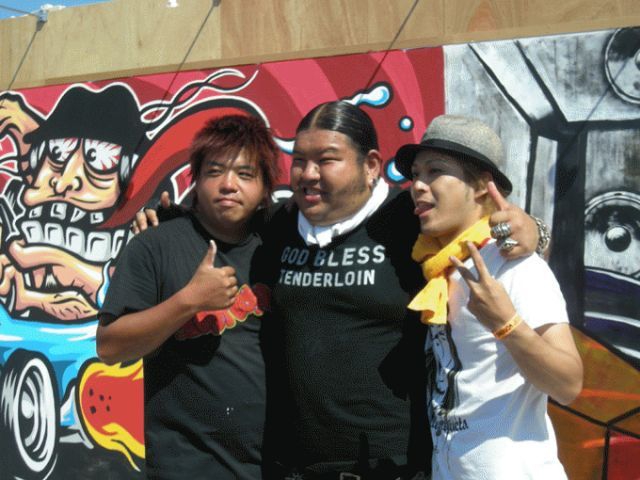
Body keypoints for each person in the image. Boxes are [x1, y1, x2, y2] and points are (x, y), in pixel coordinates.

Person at [134, 102, 543, 479]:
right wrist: (166, 219)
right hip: (292, 467)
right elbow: (220, 222)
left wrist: (535, 231)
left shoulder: (409, 218)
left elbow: (481, 225)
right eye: (299, 160)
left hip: (391, 467)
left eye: (326, 159)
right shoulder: (278, 225)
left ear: (371, 165)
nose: (308, 173)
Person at [394, 114, 583, 479]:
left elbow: (568, 384)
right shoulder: (436, 267)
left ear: (482, 185)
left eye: (435, 171)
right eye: (415, 174)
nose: (417, 185)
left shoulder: (514, 266)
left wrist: (506, 324)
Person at [96, 114, 281, 479]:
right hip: (188, 466)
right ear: (195, 180)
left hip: (275, 465)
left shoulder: (280, 246)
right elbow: (110, 346)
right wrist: (188, 301)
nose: (228, 185)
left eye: (245, 174)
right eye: (214, 171)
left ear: (265, 188)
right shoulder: (155, 245)